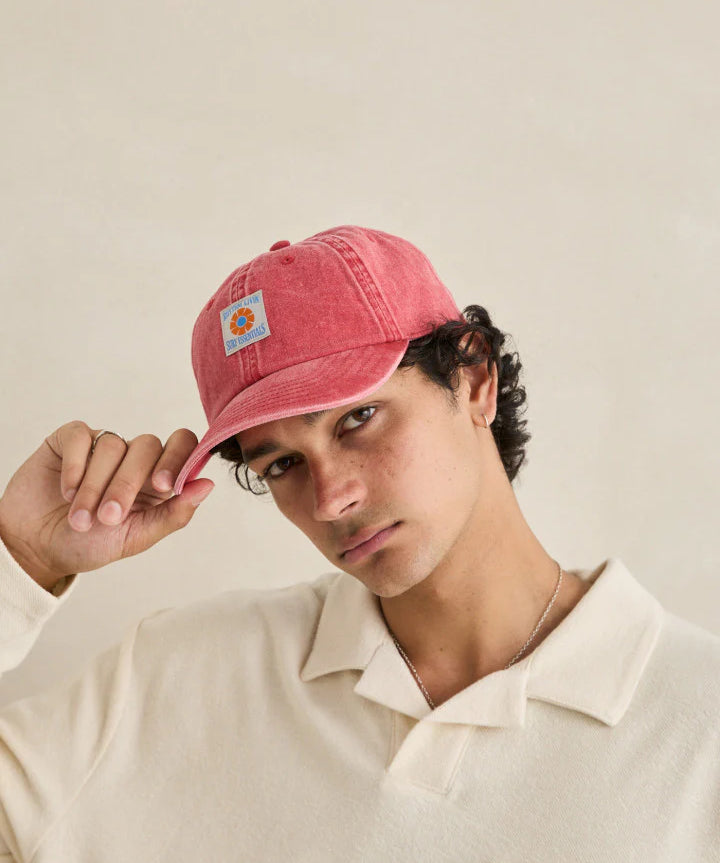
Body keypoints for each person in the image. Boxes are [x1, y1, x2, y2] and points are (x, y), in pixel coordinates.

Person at [0, 225, 718, 862]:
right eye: (282, 463)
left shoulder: (699, 728)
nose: (329, 498)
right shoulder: (181, 676)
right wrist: (21, 558)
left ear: (474, 379)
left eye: (358, 418)